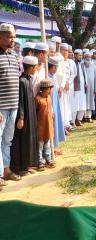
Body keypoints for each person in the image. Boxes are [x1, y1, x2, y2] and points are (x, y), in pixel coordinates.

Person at [10, 56, 39, 176]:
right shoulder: (21, 81)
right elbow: (20, 101)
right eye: (35, 67)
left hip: (30, 113)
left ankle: (27, 165)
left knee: (30, 139)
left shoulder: (29, 79)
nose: (36, 69)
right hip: (23, 116)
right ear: (31, 67)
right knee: (22, 140)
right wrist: (21, 118)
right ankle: (20, 167)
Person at [0, 24, 21, 185]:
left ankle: (6, 170)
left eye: (13, 36)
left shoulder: (14, 55)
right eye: (9, 36)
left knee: (7, 140)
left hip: (13, 105)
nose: (12, 39)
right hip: (1, 108)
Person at [47, 56, 66, 152]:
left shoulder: (53, 76)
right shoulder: (47, 77)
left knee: (55, 123)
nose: (56, 69)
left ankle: (54, 146)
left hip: (55, 101)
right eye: (55, 67)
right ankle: (51, 148)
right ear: (51, 67)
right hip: (50, 104)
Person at [36, 80, 55, 170]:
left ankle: (48, 159)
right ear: (43, 89)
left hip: (49, 125)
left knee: (47, 143)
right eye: (49, 89)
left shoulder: (49, 97)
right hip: (40, 126)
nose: (50, 91)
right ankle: (40, 161)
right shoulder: (38, 99)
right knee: (40, 144)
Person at [71, 49, 87, 127]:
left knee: (82, 104)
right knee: (75, 105)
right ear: (75, 55)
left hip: (82, 88)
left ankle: (79, 120)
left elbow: (84, 75)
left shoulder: (82, 64)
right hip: (75, 88)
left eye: (81, 55)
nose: (81, 57)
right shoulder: (72, 63)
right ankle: (73, 121)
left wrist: (86, 83)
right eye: (79, 55)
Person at [82, 51, 96, 123]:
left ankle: (89, 117)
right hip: (83, 87)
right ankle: (83, 117)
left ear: (91, 57)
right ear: (84, 57)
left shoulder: (93, 65)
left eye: (89, 56)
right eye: (86, 57)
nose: (88, 58)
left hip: (91, 87)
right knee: (84, 101)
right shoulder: (82, 65)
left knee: (91, 101)